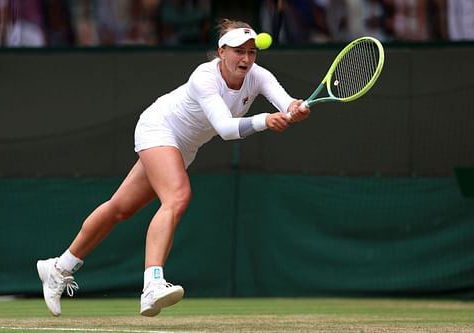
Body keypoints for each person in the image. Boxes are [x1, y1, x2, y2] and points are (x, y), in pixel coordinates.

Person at [36, 18, 310, 318]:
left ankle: (59, 267)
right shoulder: (203, 77)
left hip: (184, 147)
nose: (245, 58)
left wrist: (296, 109)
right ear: (221, 52)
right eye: (237, 51)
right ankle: (152, 284)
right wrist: (265, 121)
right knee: (178, 196)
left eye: (251, 52)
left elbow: (287, 104)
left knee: (120, 208)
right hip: (159, 127)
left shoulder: (259, 76)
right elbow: (225, 128)